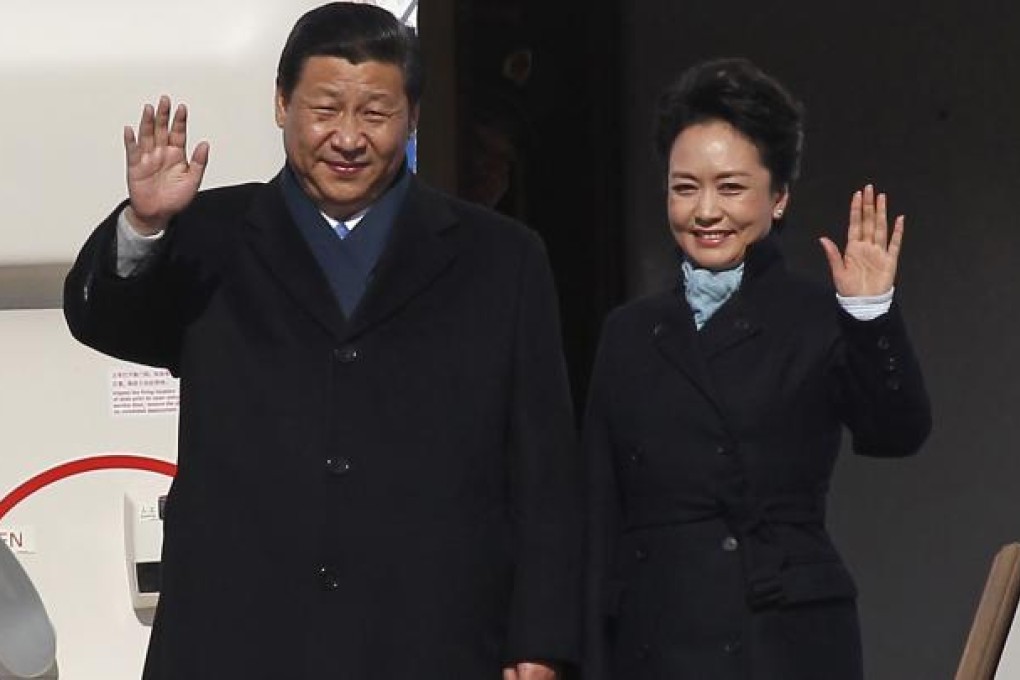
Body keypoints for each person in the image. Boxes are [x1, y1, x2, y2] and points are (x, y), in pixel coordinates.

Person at [63, 4, 580, 678]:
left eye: (374, 113)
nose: (347, 137)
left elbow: (543, 468)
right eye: (325, 108)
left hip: (431, 632)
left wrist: (540, 639)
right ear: (281, 104)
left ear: (414, 116)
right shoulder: (212, 233)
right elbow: (105, 321)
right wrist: (145, 226)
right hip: (239, 632)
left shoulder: (500, 259)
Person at [581, 57, 931, 679]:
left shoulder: (818, 315)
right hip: (655, 635)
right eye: (685, 187)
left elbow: (896, 433)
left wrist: (871, 311)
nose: (706, 211)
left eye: (732, 187)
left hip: (781, 633)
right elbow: (597, 508)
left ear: (779, 198)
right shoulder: (629, 332)